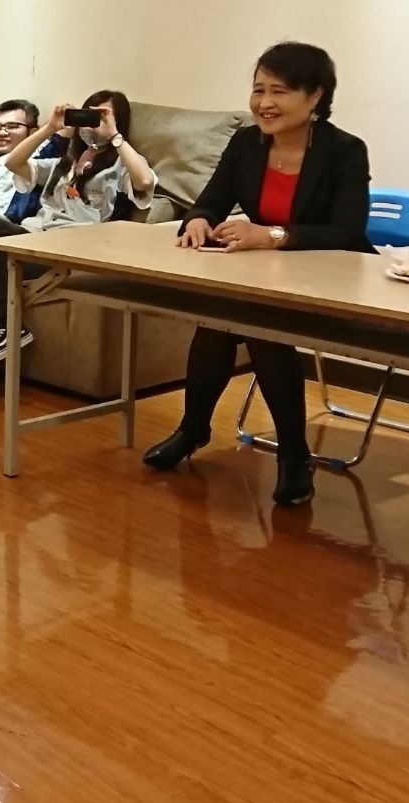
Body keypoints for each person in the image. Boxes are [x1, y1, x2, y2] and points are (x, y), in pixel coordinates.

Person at [142, 42, 371, 507]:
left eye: (279, 91)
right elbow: (210, 201)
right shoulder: (247, 143)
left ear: (315, 96)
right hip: (264, 279)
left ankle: (286, 452)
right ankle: (201, 431)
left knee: (258, 325)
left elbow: (348, 232)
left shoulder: (345, 151)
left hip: (328, 280)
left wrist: (272, 236)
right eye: (258, 89)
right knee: (221, 319)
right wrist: (198, 220)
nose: (264, 102)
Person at [0, 92, 153, 364]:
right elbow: (13, 163)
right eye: (87, 115)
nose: (92, 123)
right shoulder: (63, 165)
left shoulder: (120, 166)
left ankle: (9, 328)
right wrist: (50, 128)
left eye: (100, 116)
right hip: (34, 239)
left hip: (68, 251)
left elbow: (145, 181)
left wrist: (114, 136)